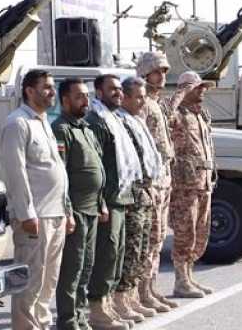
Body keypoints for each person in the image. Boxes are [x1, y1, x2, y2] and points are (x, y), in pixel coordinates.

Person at [0, 70, 73, 330]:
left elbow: (57, 170)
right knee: (30, 281)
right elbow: (15, 173)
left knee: (48, 280)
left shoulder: (42, 122)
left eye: (53, 87)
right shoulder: (17, 123)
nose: (52, 92)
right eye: (47, 87)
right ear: (29, 91)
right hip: (36, 217)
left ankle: (41, 324)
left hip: (55, 215)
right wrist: (26, 214)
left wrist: (67, 211)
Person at [52, 78, 120, 330]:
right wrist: (68, 211)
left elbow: (99, 169)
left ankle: (81, 318)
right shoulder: (61, 129)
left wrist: (102, 202)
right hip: (77, 210)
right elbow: (61, 175)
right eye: (79, 96)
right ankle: (68, 322)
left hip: (93, 208)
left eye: (86, 96)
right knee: (72, 270)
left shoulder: (86, 129)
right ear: (65, 100)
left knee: (86, 268)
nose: (86, 101)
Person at [86, 75, 144, 325]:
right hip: (107, 199)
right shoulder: (96, 121)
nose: (118, 93)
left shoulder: (114, 119)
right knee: (106, 254)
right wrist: (101, 201)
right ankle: (97, 309)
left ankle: (108, 304)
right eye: (112, 90)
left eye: (120, 89)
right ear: (98, 92)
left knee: (117, 254)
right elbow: (96, 165)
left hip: (121, 197)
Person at [115, 77, 167, 317]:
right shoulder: (119, 122)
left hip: (146, 191)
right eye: (137, 96)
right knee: (130, 250)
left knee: (143, 248)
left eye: (143, 96)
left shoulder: (136, 120)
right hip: (131, 194)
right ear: (124, 97)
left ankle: (133, 296)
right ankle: (121, 301)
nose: (141, 101)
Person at [167, 70, 217, 298]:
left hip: (203, 181)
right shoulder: (175, 113)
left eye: (203, 87)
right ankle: (180, 280)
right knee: (184, 232)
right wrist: (180, 93)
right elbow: (164, 115)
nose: (203, 91)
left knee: (200, 232)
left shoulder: (201, 114)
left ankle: (189, 276)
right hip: (184, 185)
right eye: (198, 87)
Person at [136, 52, 180, 311]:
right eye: (157, 71)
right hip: (151, 180)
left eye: (164, 71)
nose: (162, 76)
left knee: (159, 237)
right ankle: (142, 292)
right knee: (149, 239)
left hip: (163, 177)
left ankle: (150, 289)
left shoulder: (156, 102)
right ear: (144, 73)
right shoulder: (142, 104)